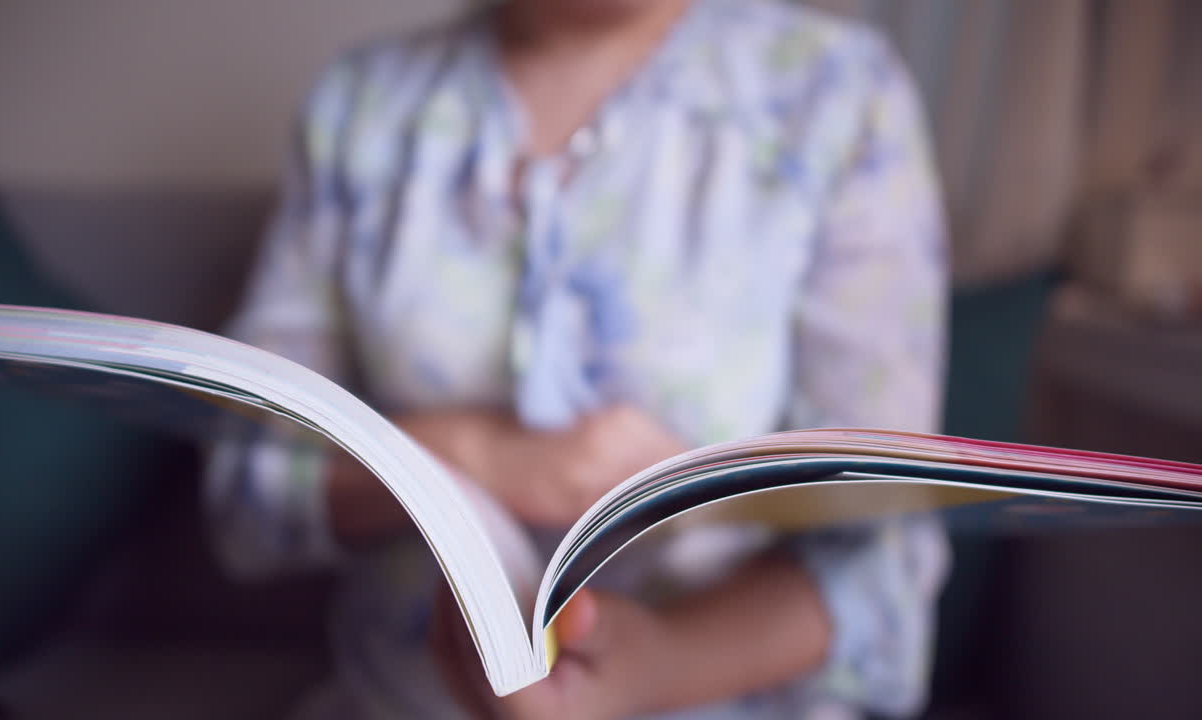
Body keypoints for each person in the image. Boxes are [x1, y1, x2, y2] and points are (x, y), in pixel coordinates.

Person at [206, 0, 950, 717]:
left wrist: (661, 661)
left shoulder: (839, 94)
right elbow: (248, 485)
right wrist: (476, 456)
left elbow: (879, 543)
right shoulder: (360, 104)